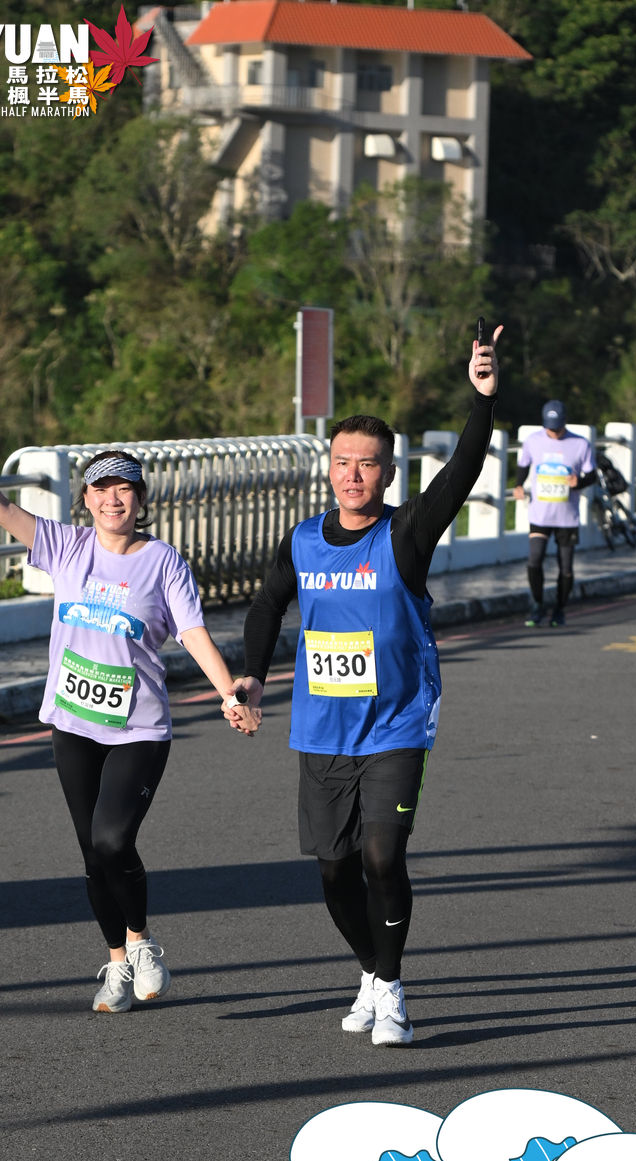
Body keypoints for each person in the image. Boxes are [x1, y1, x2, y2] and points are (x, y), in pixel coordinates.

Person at [0, 394, 259, 1014]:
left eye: (125, 489)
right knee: (92, 855)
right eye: (101, 490)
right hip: (73, 724)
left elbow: (193, 633)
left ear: (141, 500)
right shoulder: (66, 547)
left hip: (138, 728)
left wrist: (228, 692)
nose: (113, 499)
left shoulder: (163, 562)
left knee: (112, 839)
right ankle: (117, 962)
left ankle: (142, 942)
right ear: (86, 500)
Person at [225, 326, 503, 1047]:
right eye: (343, 462)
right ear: (329, 469)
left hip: (397, 724)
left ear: (387, 473)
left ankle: (394, 989)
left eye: (368, 464)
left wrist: (482, 402)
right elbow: (267, 605)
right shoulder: (301, 540)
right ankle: (373, 973)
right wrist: (252, 674)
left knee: (382, 857)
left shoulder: (405, 534)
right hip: (322, 729)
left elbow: (461, 474)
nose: (353, 475)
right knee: (333, 872)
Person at [512, 400, 597, 628]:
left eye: (558, 428)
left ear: (565, 422)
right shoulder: (533, 441)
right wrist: (518, 485)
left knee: (566, 568)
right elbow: (523, 465)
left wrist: (579, 482)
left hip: (567, 517)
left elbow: (592, 475)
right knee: (534, 560)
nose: (554, 433)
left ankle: (559, 610)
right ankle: (537, 605)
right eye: (550, 428)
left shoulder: (580, 444)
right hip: (540, 515)